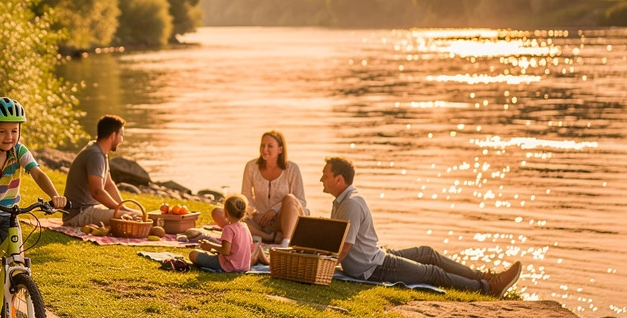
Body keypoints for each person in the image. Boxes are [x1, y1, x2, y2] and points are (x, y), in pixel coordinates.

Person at [319, 156, 521, 296]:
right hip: (373, 266)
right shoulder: (343, 202)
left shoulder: (351, 203)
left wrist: (322, 268)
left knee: (428, 256)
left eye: (325, 175)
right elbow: (342, 247)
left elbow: (343, 249)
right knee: (431, 270)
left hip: (375, 266)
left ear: (339, 179)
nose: (321, 179)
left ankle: (488, 282)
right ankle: (486, 286)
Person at [0, 97, 66, 305]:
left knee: (18, 262)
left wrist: (55, 196)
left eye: (14, 131)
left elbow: (38, 173)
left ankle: (8, 314)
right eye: (2, 131)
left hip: (9, 212)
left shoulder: (20, 151)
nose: (9, 137)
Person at [216, 130, 308, 248]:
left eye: (270, 146)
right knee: (218, 213)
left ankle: (284, 242)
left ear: (280, 149)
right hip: (259, 223)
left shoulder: (292, 169)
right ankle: (268, 238)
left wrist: (274, 210)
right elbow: (246, 197)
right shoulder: (251, 166)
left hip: (283, 222)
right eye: (262, 145)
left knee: (290, 198)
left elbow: (301, 202)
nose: (265, 149)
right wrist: (254, 213)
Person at [62, 114, 126, 228]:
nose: (122, 139)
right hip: (78, 214)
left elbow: (108, 184)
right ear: (112, 135)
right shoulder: (95, 155)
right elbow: (97, 192)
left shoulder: (100, 152)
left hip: (90, 209)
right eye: (121, 135)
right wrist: (119, 209)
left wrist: (122, 206)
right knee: (127, 217)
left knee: (130, 214)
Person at [189, 193, 268, 272]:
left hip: (228, 266)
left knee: (193, 254)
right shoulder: (245, 226)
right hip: (244, 266)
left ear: (225, 212)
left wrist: (209, 244)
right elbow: (242, 248)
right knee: (210, 255)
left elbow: (225, 251)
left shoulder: (228, 229)